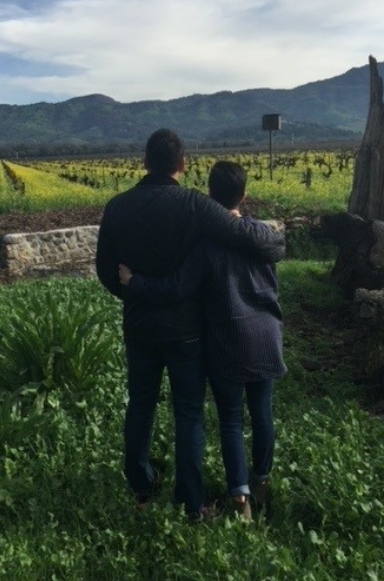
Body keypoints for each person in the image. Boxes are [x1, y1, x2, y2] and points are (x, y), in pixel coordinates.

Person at [95, 130, 285, 522]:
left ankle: (142, 487)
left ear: (144, 162)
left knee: (141, 404)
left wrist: (136, 293)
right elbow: (240, 233)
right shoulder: (195, 205)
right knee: (189, 413)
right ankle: (192, 502)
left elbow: (105, 272)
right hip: (186, 331)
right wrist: (276, 242)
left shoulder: (116, 207)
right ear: (183, 164)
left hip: (140, 326)